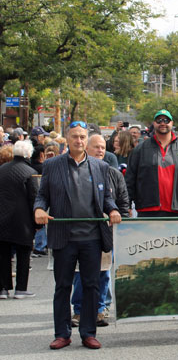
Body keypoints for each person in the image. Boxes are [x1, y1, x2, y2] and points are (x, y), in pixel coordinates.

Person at [34, 121, 121, 350]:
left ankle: (88, 332)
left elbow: (108, 198)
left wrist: (112, 210)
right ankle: (62, 333)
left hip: (91, 237)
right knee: (62, 286)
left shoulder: (100, 167)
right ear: (67, 138)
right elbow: (42, 196)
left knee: (92, 285)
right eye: (75, 136)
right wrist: (39, 209)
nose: (79, 140)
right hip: (64, 236)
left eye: (83, 137)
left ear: (87, 140)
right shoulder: (52, 165)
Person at [71, 134, 130, 328]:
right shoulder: (76, 171)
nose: (100, 151)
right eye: (96, 147)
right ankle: (79, 310)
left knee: (103, 273)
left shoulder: (113, 173)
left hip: (106, 232)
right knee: (81, 274)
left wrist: (121, 221)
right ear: (86, 148)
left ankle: (99, 309)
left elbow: (123, 201)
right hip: (82, 231)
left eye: (103, 148)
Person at [125, 109, 178, 218]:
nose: (162, 123)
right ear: (154, 123)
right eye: (159, 120)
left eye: (166, 120)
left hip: (176, 211)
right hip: (147, 210)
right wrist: (126, 205)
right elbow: (129, 179)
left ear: (172, 123)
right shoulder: (140, 149)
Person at [0, 141, 39, 300]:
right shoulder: (30, 172)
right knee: (24, 254)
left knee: (3, 254)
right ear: (28, 154)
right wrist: (37, 223)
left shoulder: (1, 170)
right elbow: (34, 198)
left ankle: (3, 288)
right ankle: (20, 288)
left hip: (2, 218)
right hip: (23, 221)